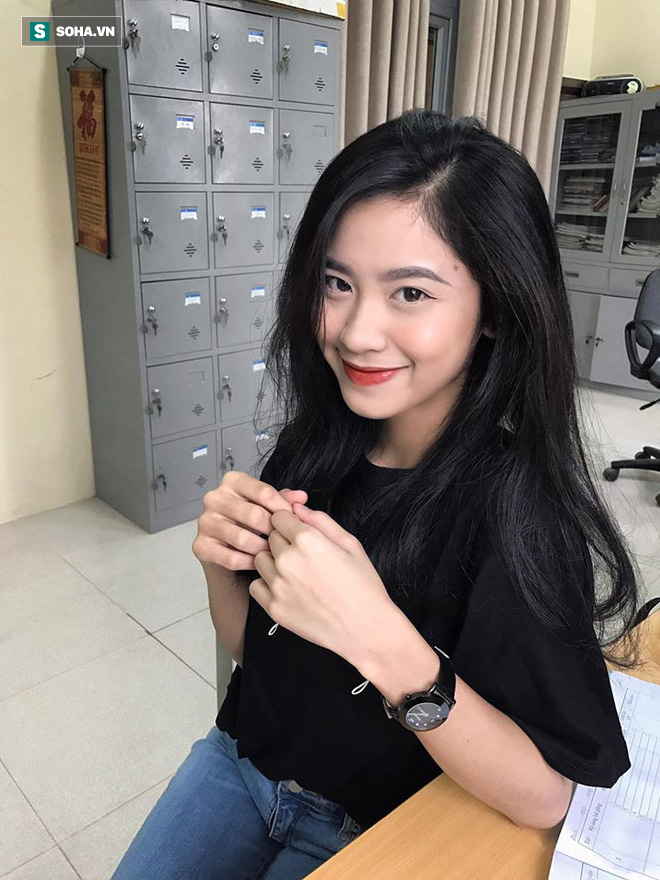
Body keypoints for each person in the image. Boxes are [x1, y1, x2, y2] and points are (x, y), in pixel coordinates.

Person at [111, 109, 643, 880]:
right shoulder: (314, 447)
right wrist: (221, 567)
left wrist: (381, 637)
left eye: (411, 293)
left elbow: (544, 795)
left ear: (494, 311)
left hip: (375, 822)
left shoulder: (519, 516)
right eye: (337, 283)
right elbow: (262, 666)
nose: (356, 331)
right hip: (242, 764)